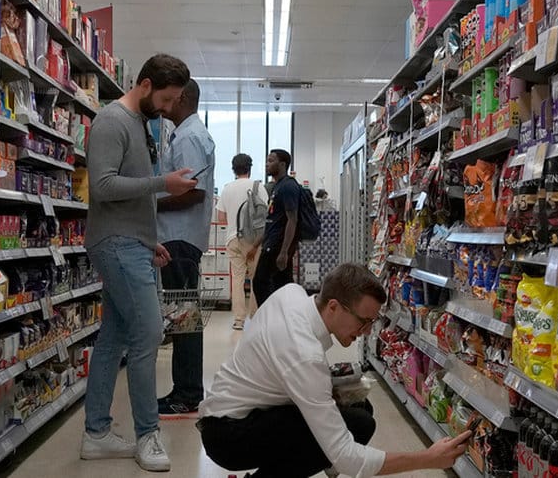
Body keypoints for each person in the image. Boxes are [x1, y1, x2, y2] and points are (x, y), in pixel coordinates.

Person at [197, 263, 472, 477]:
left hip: (235, 410)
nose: (367, 331)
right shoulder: (305, 355)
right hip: (228, 435)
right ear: (333, 307)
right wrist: (428, 458)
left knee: (360, 408)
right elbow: (347, 457)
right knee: (358, 426)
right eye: (363, 321)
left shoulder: (292, 293)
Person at [81, 53, 198, 472]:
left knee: (113, 339)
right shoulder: (112, 121)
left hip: (132, 244)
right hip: (115, 244)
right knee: (148, 334)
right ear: (145, 85)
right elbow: (103, 186)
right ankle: (148, 434)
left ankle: (96, 433)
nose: (167, 109)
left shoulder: (140, 124)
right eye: (165, 100)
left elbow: (131, 193)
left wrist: (149, 242)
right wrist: (163, 183)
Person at [155, 79, 215, 417]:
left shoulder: (190, 137)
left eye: (170, 96)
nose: (163, 102)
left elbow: (194, 192)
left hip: (179, 239)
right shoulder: (186, 134)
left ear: (184, 98)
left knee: (184, 318)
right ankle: (186, 390)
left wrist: (150, 203)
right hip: (180, 238)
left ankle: (187, 394)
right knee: (183, 316)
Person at [217, 153, 268, 330]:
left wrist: (234, 223)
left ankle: (239, 319)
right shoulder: (258, 187)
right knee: (255, 278)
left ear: (233, 169)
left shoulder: (227, 188)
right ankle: (255, 317)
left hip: (232, 239)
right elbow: (264, 214)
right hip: (253, 241)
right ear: (250, 168)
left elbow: (221, 217)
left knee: (237, 279)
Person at [253, 149, 300, 306]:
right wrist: (256, 244)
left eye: (271, 161)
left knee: (260, 283)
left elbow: (292, 219)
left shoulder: (288, 187)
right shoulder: (277, 187)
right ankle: (281, 316)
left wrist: (284, 251)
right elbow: (272, 220)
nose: (267, 164)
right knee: (281, 285)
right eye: (267, 160)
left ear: (282, 164)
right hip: (271, 243)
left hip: (277, 247)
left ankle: (269, 316)